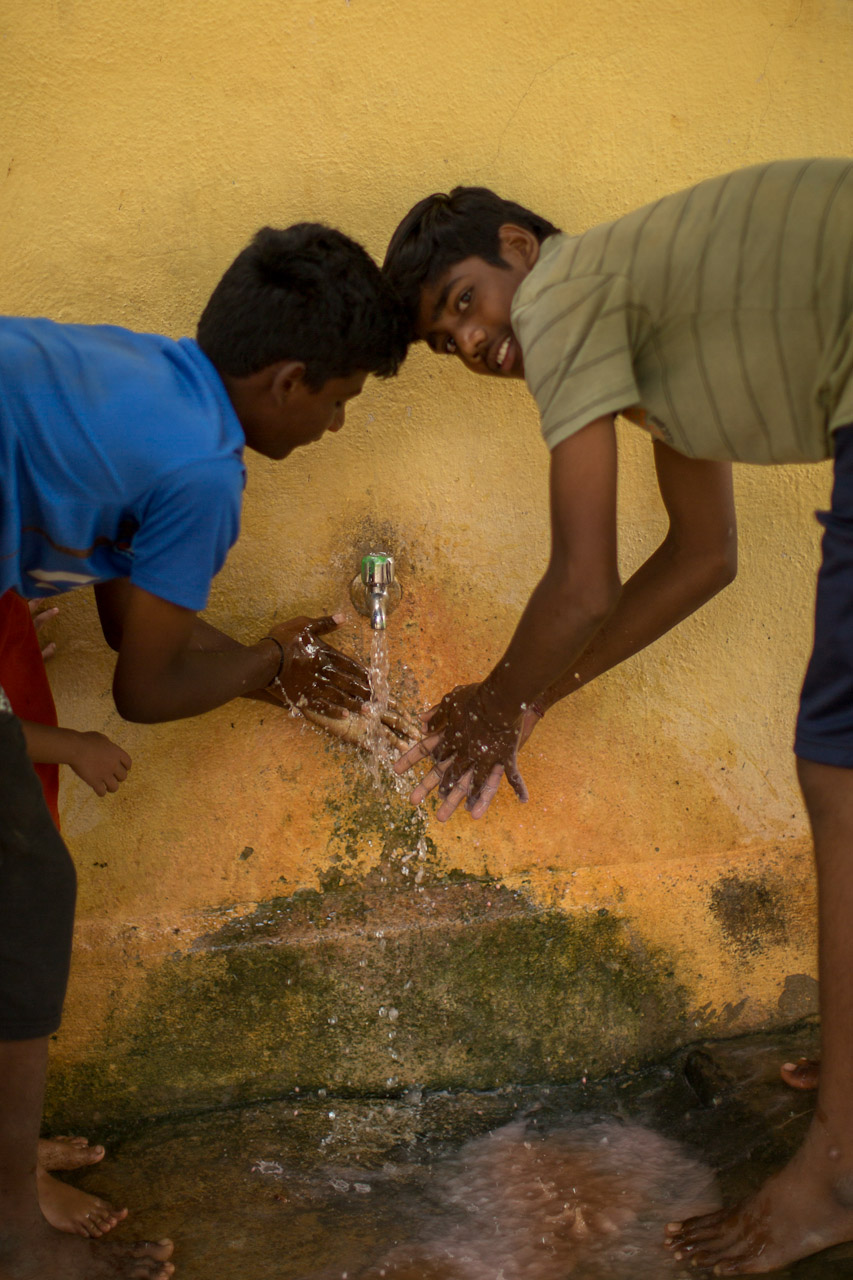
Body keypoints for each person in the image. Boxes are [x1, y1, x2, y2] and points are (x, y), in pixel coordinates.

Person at [382, 158, 853, 1273]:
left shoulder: (565, 291)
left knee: (837, 773)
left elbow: (581, 581)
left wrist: (497, 700)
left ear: (519, 247)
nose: (474, 343)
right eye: (449, 342)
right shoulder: (651, 323)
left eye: (464, 303)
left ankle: (839, 1167)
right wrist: (537, 698)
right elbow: (701, 556)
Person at [0, 221, 409, 1279]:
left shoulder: (148, 376)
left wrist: (264, 670)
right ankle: (13, 1231)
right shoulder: (203, 472)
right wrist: (269, 655)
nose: (336, 424)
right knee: (23, 891)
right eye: (339, 401)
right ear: (285, 382)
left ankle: (2, 1155)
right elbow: (144, 691)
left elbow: (125, 617)